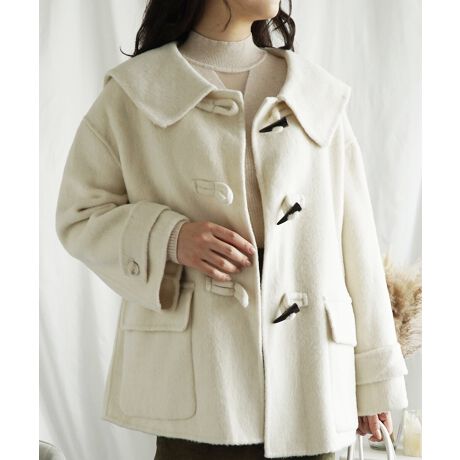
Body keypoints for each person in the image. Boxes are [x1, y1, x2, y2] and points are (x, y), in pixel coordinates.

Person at [55, 0, 409, 459]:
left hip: (312, 382)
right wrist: (170, 238)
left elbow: (356, 245)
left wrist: (373, 381)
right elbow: (80, 215)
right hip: (199, 388)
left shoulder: (315, 95)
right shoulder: (135, 93)